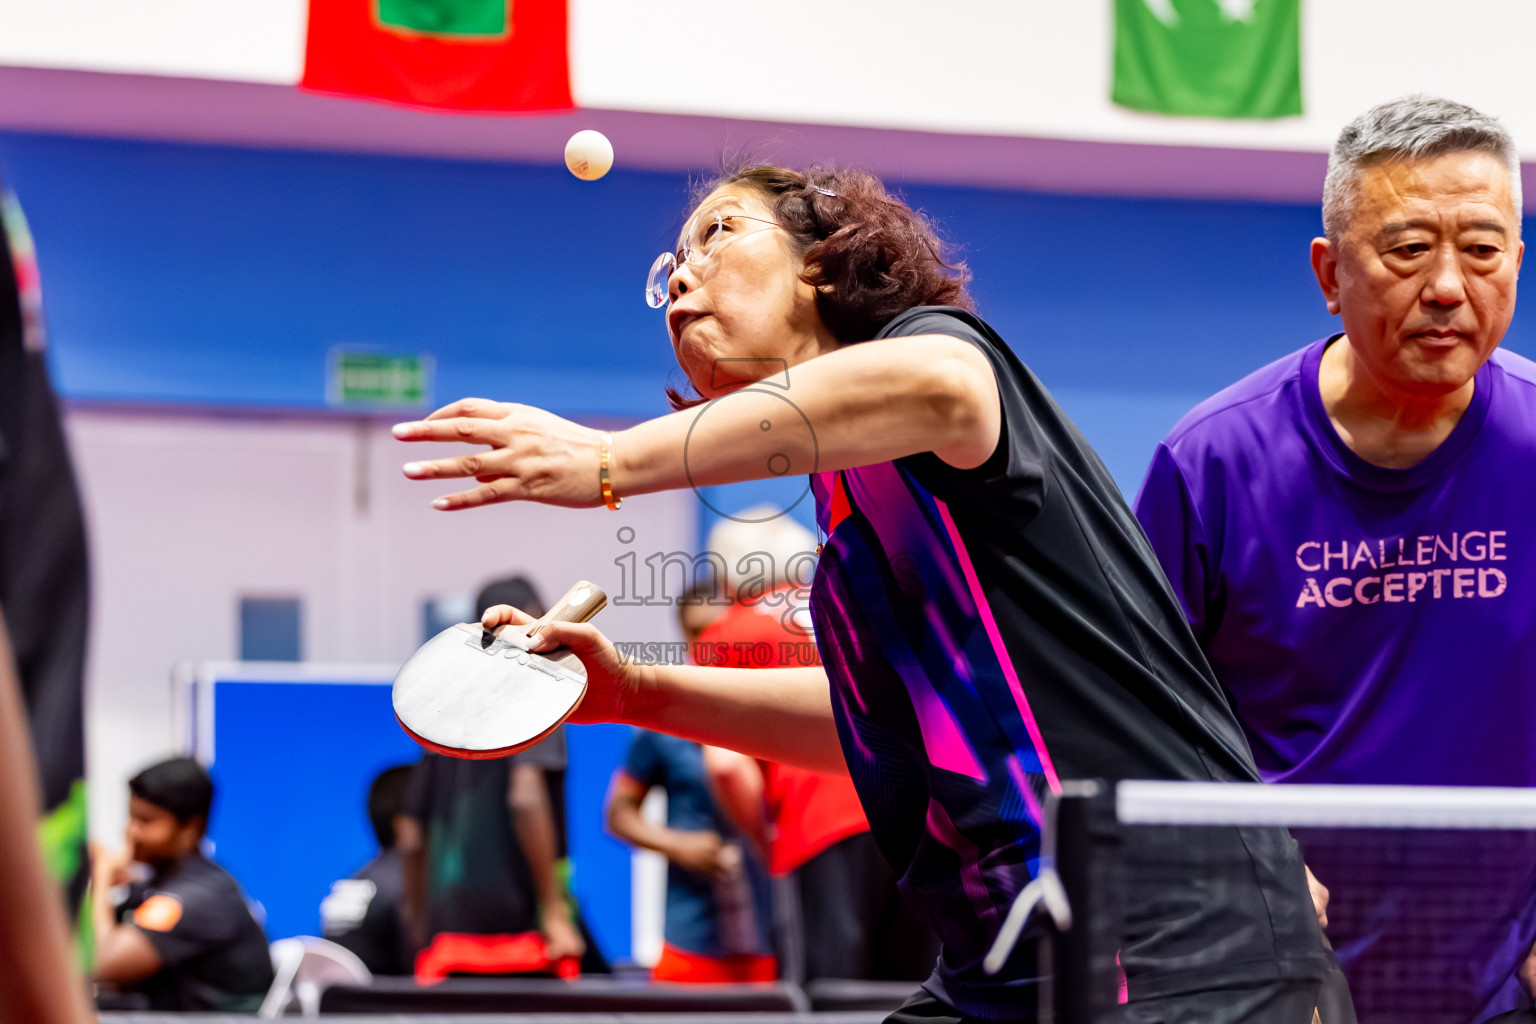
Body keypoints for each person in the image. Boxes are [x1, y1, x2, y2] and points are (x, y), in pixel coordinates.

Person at [394, 164, 1340, 1022]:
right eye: (669, 269)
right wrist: (635, 691)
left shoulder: (935, 358)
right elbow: (872, 727)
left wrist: (607, 458)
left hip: (1169, 937)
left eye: (719, 234)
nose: (680, 278)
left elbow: (939, 388)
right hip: (1008, 955)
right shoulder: (846, 504)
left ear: (822, 263)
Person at [1132, 95, 1534, 1018]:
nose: (1446, 286)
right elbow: (1138, 719)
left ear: (1517, 260)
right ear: (1329, 271)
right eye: (1407, 249)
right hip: (1275, 976)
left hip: (1501, 979)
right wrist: (1246, 886)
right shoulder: (1211, 464)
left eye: (1481, 249)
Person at [700, 511, 939, 984]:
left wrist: (763, 839)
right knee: (915, 993)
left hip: (819, 830)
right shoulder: (859, 616)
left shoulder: (728, 635)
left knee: (828, 1001)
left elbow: (727, 767)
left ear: (727, 575)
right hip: (919, 819)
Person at [397, 576, 594, 975]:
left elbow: (409, 831)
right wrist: (555, 914)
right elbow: (525, 796)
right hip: (524, 942)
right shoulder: (538, 694)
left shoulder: (445, 717)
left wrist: (420, 923)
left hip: (449, 945)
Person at [606, 579, 776, 983]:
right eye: (699, 632)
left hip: (770, 936)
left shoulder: (770, 715)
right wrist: (679, 845)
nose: (711, 642)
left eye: (719, 628)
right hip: (691, 942)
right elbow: (617, 814)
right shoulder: (664, 722)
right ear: (684, 637)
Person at [90, 757, 274, 1012]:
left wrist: (101, 873)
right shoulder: (157, 887)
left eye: (146, 821)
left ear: (190, 829)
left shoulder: (199, 896)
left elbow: (102, 962)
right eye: (131, 818)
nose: (132, 832)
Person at [321, 763, 415, 975]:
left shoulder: (353, 881)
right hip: (393, 1007)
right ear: (405, 825)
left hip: (340, 1007)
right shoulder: (411, 888)